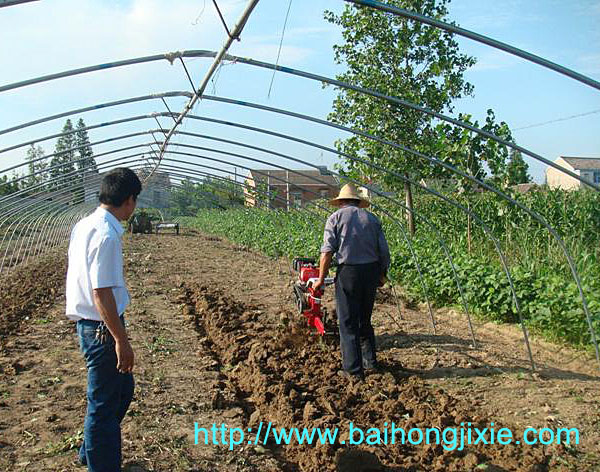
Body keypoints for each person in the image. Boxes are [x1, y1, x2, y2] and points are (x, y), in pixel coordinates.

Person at [65, 168, 142, 471]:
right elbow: (102, 294)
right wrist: (121, 340)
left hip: (94, 325)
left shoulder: (85, 224)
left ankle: (90, 451)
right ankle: (101, 463)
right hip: (102, 329)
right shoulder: (108, 235)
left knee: (123, 391)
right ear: (129, 200)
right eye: (136, 201)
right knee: (102, 409)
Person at [313, 183, 390, 380]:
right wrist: (381, 274)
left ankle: (353, 371)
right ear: (358, 202)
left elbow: (327, 251)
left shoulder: (336, 218)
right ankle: (370, 363)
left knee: (347, 322)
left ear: (341, 202)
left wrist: (320, 279)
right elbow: (384, 252)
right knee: (365, 319)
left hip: (349, 272)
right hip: (370, 271)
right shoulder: (372, 219)